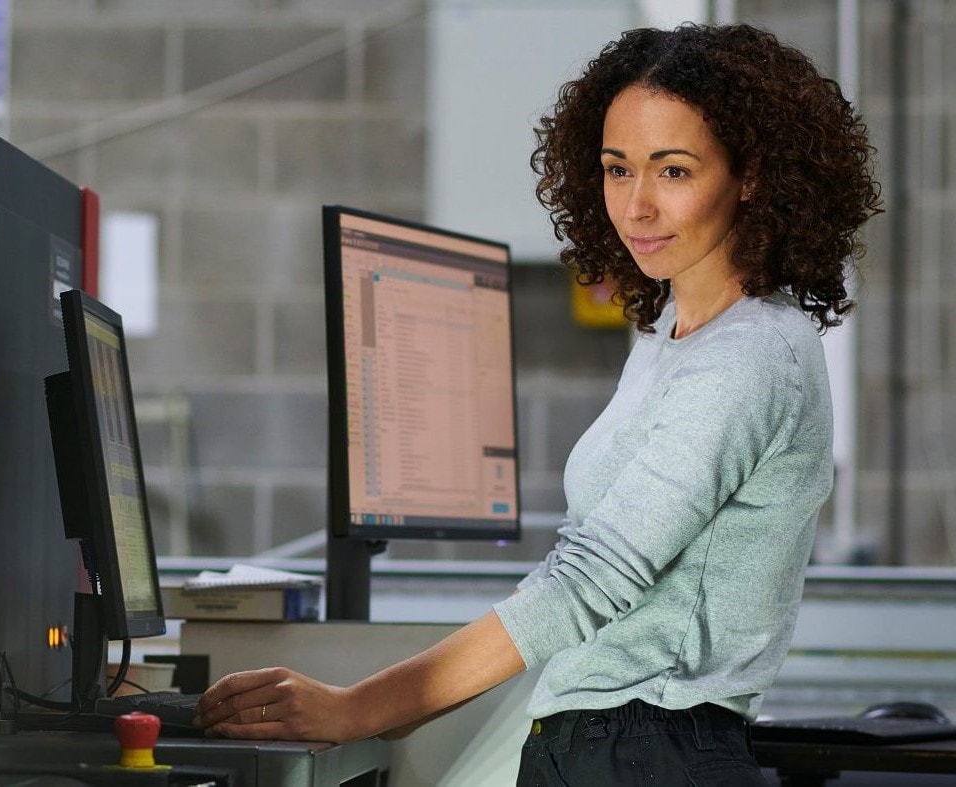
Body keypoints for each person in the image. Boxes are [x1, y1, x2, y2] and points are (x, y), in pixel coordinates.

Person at [192, 22, 882, 785]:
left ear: (750, 175)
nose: (638, 206)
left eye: (674, 171)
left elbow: (588, 583)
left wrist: (358, 708)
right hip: (599, 746)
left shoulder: (753, 355)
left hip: (646, 751)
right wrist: (383, 709)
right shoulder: (669, 338)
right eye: (618, 171)